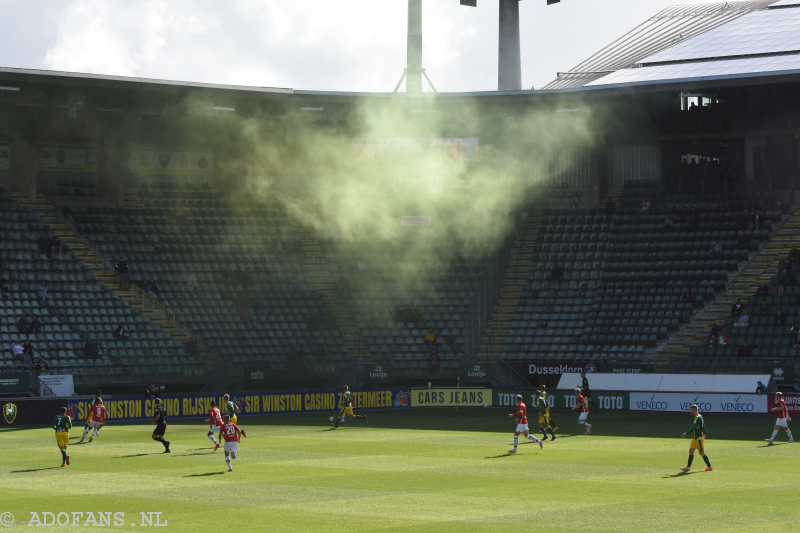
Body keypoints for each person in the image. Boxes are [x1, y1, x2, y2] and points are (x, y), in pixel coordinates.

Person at [681, 404, 713, 472]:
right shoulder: (700, 416)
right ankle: (688, 467)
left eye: (691, 410)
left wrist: (686, 433)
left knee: (702, 452)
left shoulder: (697, 418)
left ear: (694, 410)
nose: (690, 411)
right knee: (691, 451)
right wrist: (704, 433)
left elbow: (694, 428)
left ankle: (709, 467)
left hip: (698, 438)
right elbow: (704, 426)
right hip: (695, 438)